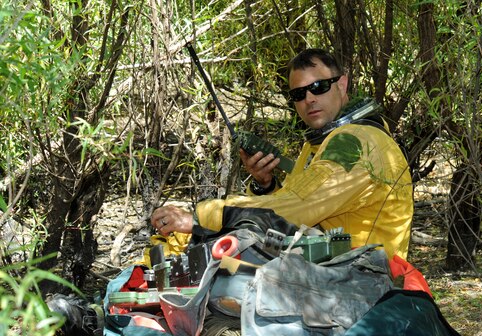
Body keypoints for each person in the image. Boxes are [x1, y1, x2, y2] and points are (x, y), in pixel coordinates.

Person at [151, 48, 413, 260]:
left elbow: (296, 210)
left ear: (342, 85)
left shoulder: (355, 142)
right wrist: (265, 185)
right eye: (299, 93)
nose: (309, 98)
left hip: (364, 283)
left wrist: (199, 217)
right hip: (337, 272)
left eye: (319, 87)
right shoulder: (320, 143)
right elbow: (292, 208)